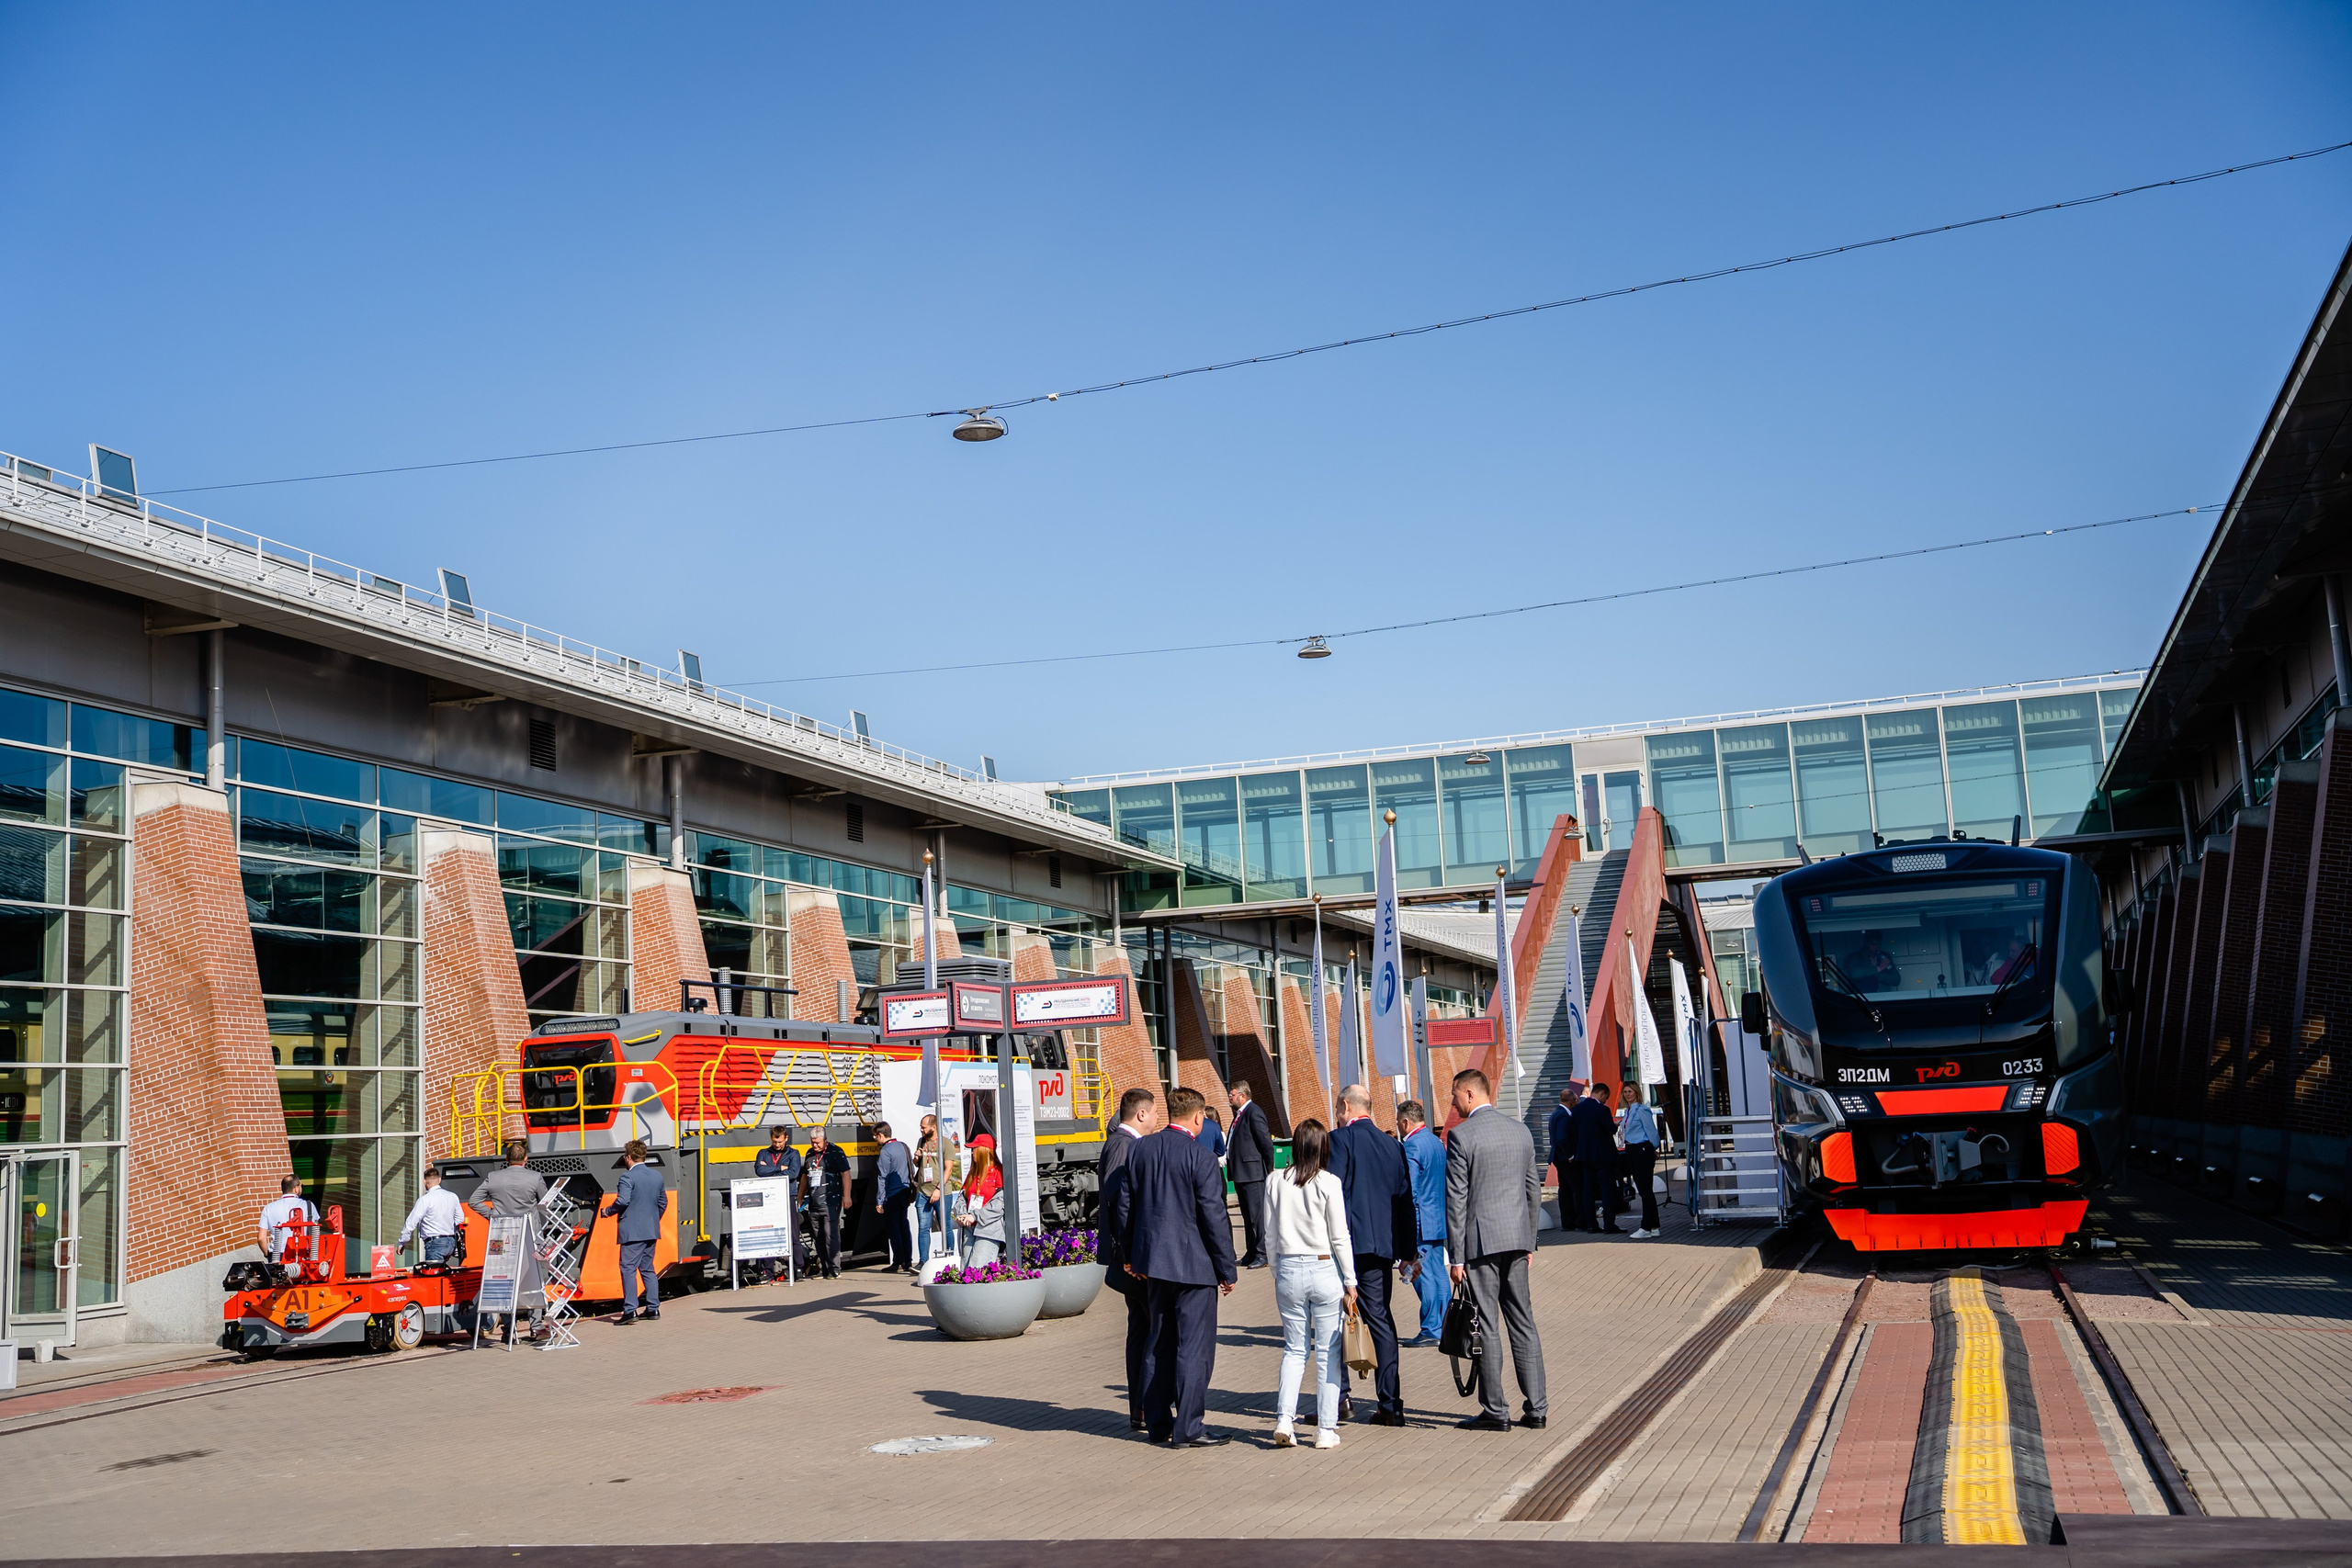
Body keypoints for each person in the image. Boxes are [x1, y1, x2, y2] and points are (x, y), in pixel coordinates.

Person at [1105, 1085, 1237, 1448]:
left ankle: (1158, 1423)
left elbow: (1125, 1205)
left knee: (1158, 1344)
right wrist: (1228, 1269)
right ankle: (1189, 1427)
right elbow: (1215, 1217)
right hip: (1195, 1269)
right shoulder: (1203, 1159)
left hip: (1153, 1266)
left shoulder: (1141, 1149)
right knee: (1194, 1349)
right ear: (1198, 1118)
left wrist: (1131, 1255)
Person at [1445, 1068, 1548, 1431]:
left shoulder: (1461, 1136)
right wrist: (1530, 1239)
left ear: (1471, 1094)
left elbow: (1456, 1201)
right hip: (1517, 1240)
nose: (1452, 1102)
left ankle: (1495, 1410)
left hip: (1481, 1244)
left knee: (1487, 1324)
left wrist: (1454, 1256)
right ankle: (1536, 1409)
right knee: (1523, 1321)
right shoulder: (1519, 1131)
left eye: (1455, 1095)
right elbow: (1532, 1190)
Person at [1327, 1082, 1417, 1427]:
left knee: (1337, 1319)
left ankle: (1340, 1397)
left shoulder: (1339, 1141)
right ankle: (1391, 1402)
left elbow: (1331, 1196)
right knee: (1381, 1321)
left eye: (1338, 1109)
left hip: (1347, 1247)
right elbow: (1404, 1201)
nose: (1337, 1116)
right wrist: (1408, 1251)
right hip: (1382, 1248)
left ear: (1346, 1107)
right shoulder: (1392, 1144)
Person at [1264, 1117, 1356, 1450]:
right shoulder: (1329, 1182)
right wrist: (1351, 1280)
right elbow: (1340, 1237)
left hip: (1288, 1267)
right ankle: (1325, 1429)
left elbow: (1269, 1234)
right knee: (1328, 1353)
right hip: (1323, 1268)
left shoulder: (1275, 1181)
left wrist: (1277, 1270)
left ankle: (1285, 1419)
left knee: (1294, 1349)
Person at [1099, 1087, 1158, 1431]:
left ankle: (1141, 1407)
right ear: (1140, 1114)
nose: (1155, 1120)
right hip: (1133, 1259)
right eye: (1152, 1113)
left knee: (1140, 1329)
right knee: (1150, 1331)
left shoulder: (1120, 1143)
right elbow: (1122, 1203)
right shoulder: (1126, 1145)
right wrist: (1133, 1255)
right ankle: (1148, 1405)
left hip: (1127, 1255)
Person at [469, 1139, 551, 1338]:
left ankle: (508, 1329)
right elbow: (546, 1204)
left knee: (502, 1279)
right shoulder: (535, 1177)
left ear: (506, 1159)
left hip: (501, 1235)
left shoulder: (493, 1177)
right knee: (534, 1278)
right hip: (530, 1235)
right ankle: (536, 1326)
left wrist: (492, 1216)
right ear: (525, 1159)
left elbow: (474, 1201)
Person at [1396, 1100, 1451, 1346]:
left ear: (1406, 1122)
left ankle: (1431, 1329)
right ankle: (1444, 1325)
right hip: (1438, 1217)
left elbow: (1410, 1190)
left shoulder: (1413, 1146)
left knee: (1422, 1275)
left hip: (1420, 1221)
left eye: (1399, 1123)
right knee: (1438, 1274)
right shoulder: (1435, 1142)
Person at [601, 1139, 669, 1325]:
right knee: (648, 1269)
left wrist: (607, 1211)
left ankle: (630, 1310)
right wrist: (652, 1219)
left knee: (628, 1269)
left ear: (628, 1157)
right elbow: (663, 1203)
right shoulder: (657, 1176)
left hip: (632, 1232)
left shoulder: (627, 1177)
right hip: (651, 1230)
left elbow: (623, 1201)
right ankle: (653, 1308)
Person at [1227, 1082, 1275, 1269]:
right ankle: (1251, 1251)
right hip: (1241, 1174)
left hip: (1253, 1174)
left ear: (1242, 1096)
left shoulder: (1253, 1112)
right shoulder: (1240, 1114)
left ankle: (1263, 1254)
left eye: (1232, 1095)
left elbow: (1265, 1142)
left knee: (1257, 1217)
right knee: (1247, 1217)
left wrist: (1269, 1168)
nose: (1230, 1098)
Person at [752, 1126, 804, 1281]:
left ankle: (798, 1268)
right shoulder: (763, 1153)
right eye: (775, 1141)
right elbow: (759, 1170)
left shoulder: (793, 1153)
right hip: (769, 1197)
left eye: (780, 1141)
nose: (777, 1145)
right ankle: (767, 1272)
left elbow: (794, 1173)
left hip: (788, 1195)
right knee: (770, 1233)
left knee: (793, 1233)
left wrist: (770, 1170)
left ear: (786, 1139)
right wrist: (780, 1168)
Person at [1572, 1082, 1623, 1235]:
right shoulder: (1602, 1110)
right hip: (1603, 1156)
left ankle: (1591, 1225)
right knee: (1607, 1191)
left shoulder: (1577, 1110)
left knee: (1588, 1192)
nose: (1605, 1101)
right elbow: (1610, 1129)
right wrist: (1616, 1125)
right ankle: (1609, 1225)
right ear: (1602, 1094)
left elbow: (1575, 1131)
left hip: (1585, 1156)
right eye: (1605, 1098)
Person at [801, 1128, 851, 1278]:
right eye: (812, 1142)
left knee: (831, 1235)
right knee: (819, 1237)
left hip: (831, 1201)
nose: (814, 1145)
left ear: (825, 1140)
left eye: (817, 1143)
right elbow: (805, 1176)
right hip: (814, 1203)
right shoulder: (810, 1154)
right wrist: (799, 1197)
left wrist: (846, 1196)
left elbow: (846, 1174)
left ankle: (834, 1268)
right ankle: (824, 1267)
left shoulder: (836, 1152)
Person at [397, 1166, 466, 1266]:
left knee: (433, 1276)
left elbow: (411, 1222)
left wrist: (402, 1242)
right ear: (439, 1180)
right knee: (442, 1275)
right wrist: (447, 1225)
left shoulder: (425, 1200)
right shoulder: (452, 1196)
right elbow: (460, 1218)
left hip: (435, 1243)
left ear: (425, 1181)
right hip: (450, 1242)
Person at [956, 1134, 1006, 1265]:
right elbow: (962, 1197)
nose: (972, 1153)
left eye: (975, 1149)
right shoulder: (974, 1172)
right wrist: (962, 1214)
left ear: (984, 1151)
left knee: (977, 1267)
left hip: (988, 1229)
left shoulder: (999, 1172)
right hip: (969, 1227)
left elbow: (999, 1204)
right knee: (965, 1269)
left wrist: (975, 1216)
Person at [1618, 1093, 1663, 1238]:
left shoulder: (1641, 1110)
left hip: (1641, 1149)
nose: (1627, 1095)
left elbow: (1652, 1132)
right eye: (1625, 1092)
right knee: (1645, 1190)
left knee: (1645, 1190)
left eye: (1630, 1091)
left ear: (1636, 1093)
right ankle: (1654, 1226)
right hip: (1630, 1149)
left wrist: (1652, 1148)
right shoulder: (1628, 1111)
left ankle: (1646, 1227)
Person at [875, 1121, 915, 1272]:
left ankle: (898, 1261)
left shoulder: (886, 1151)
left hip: (891, 1194)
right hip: (905, 1191)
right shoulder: (904, 1146)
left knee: (894, 1229)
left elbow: (882, 1177)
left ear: (880, 1135)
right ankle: (908, 1261)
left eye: (875, 1137)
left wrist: (879, 1200)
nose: (875, 1140)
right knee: (904, 1225)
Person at [257, 1174, 317, 1263]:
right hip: (302, 1254)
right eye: (301, 1186)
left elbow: (261, 1238)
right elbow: (315, 1233)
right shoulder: (308, 1206)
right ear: (296, 1189)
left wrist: (268, 1255)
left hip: (277, 1256)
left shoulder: (268, 1208)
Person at [1544, 1084, 1580, 1228]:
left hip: (1558, 1157)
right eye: (1576, 1101)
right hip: (1565, 1158)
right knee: (1576, 1188)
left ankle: (1567, 1222)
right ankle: (1577, 1220)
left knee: (1564, 1189)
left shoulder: (1555, 1113)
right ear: (1571, 1100)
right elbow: (1561, 1138)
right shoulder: (1564, 1115)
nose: (1576, 1104)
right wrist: (1570, 1155)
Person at [913, 1114, 944, 1267]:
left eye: (924, 1127)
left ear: (933, 1127)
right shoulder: (921, 1141)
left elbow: (949, 1169)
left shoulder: (944, 1143)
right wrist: (916, 1158)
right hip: (923, 1191)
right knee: (923, 1228)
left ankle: (948, 1256)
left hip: (939, 1191)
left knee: (945, 1226)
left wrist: (939, 1189)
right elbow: (918, 1165)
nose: (921, 1129)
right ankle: (923, 1261)